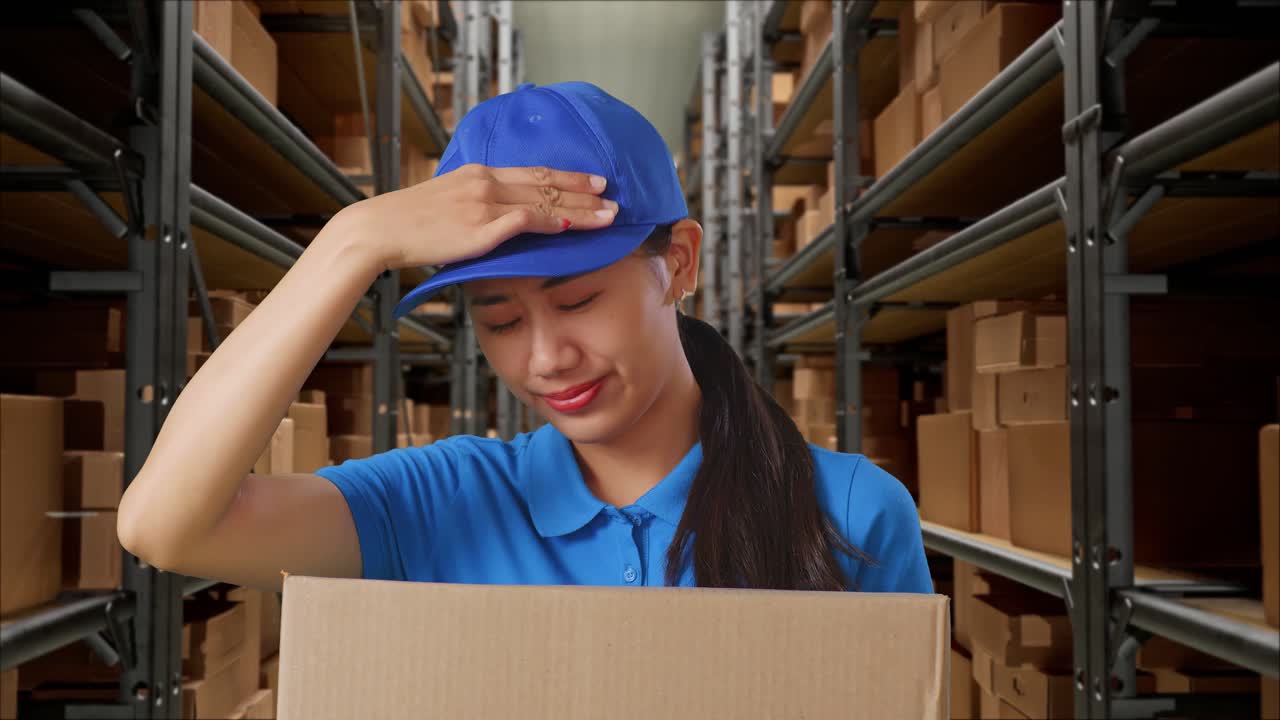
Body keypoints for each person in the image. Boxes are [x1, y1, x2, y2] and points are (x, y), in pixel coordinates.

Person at [118, 81, 931, 594]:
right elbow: (166, 528)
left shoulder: (850, 514)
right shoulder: (443, 504)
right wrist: (350, 242)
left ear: (678, 263)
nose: (544, 360)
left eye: (576, 301)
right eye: (499, 320)